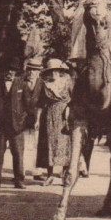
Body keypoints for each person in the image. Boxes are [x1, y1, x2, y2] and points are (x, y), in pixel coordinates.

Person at [0, 58, 33, 189]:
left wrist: (24, 121)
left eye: (12, 71)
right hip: (0, 124)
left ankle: (19, 180)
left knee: (18, 153)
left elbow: (28, 105)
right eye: (7, 70)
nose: (9, 73)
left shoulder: (22, 85)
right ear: (3, 72)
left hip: (16, 125)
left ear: (16, 72)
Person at [35, 59, 73, 187]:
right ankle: (50, 175)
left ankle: (65, 175)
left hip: (65, 115)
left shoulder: (68, 82)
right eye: (51, 71)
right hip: (50, 114)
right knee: (49, 144)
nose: (53, 74)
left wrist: (69, 110)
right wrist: (37, 119)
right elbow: (40, 103)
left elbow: (74, 99)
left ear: (60, 71)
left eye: (56, 71)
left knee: (65, 144)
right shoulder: (46, 85)